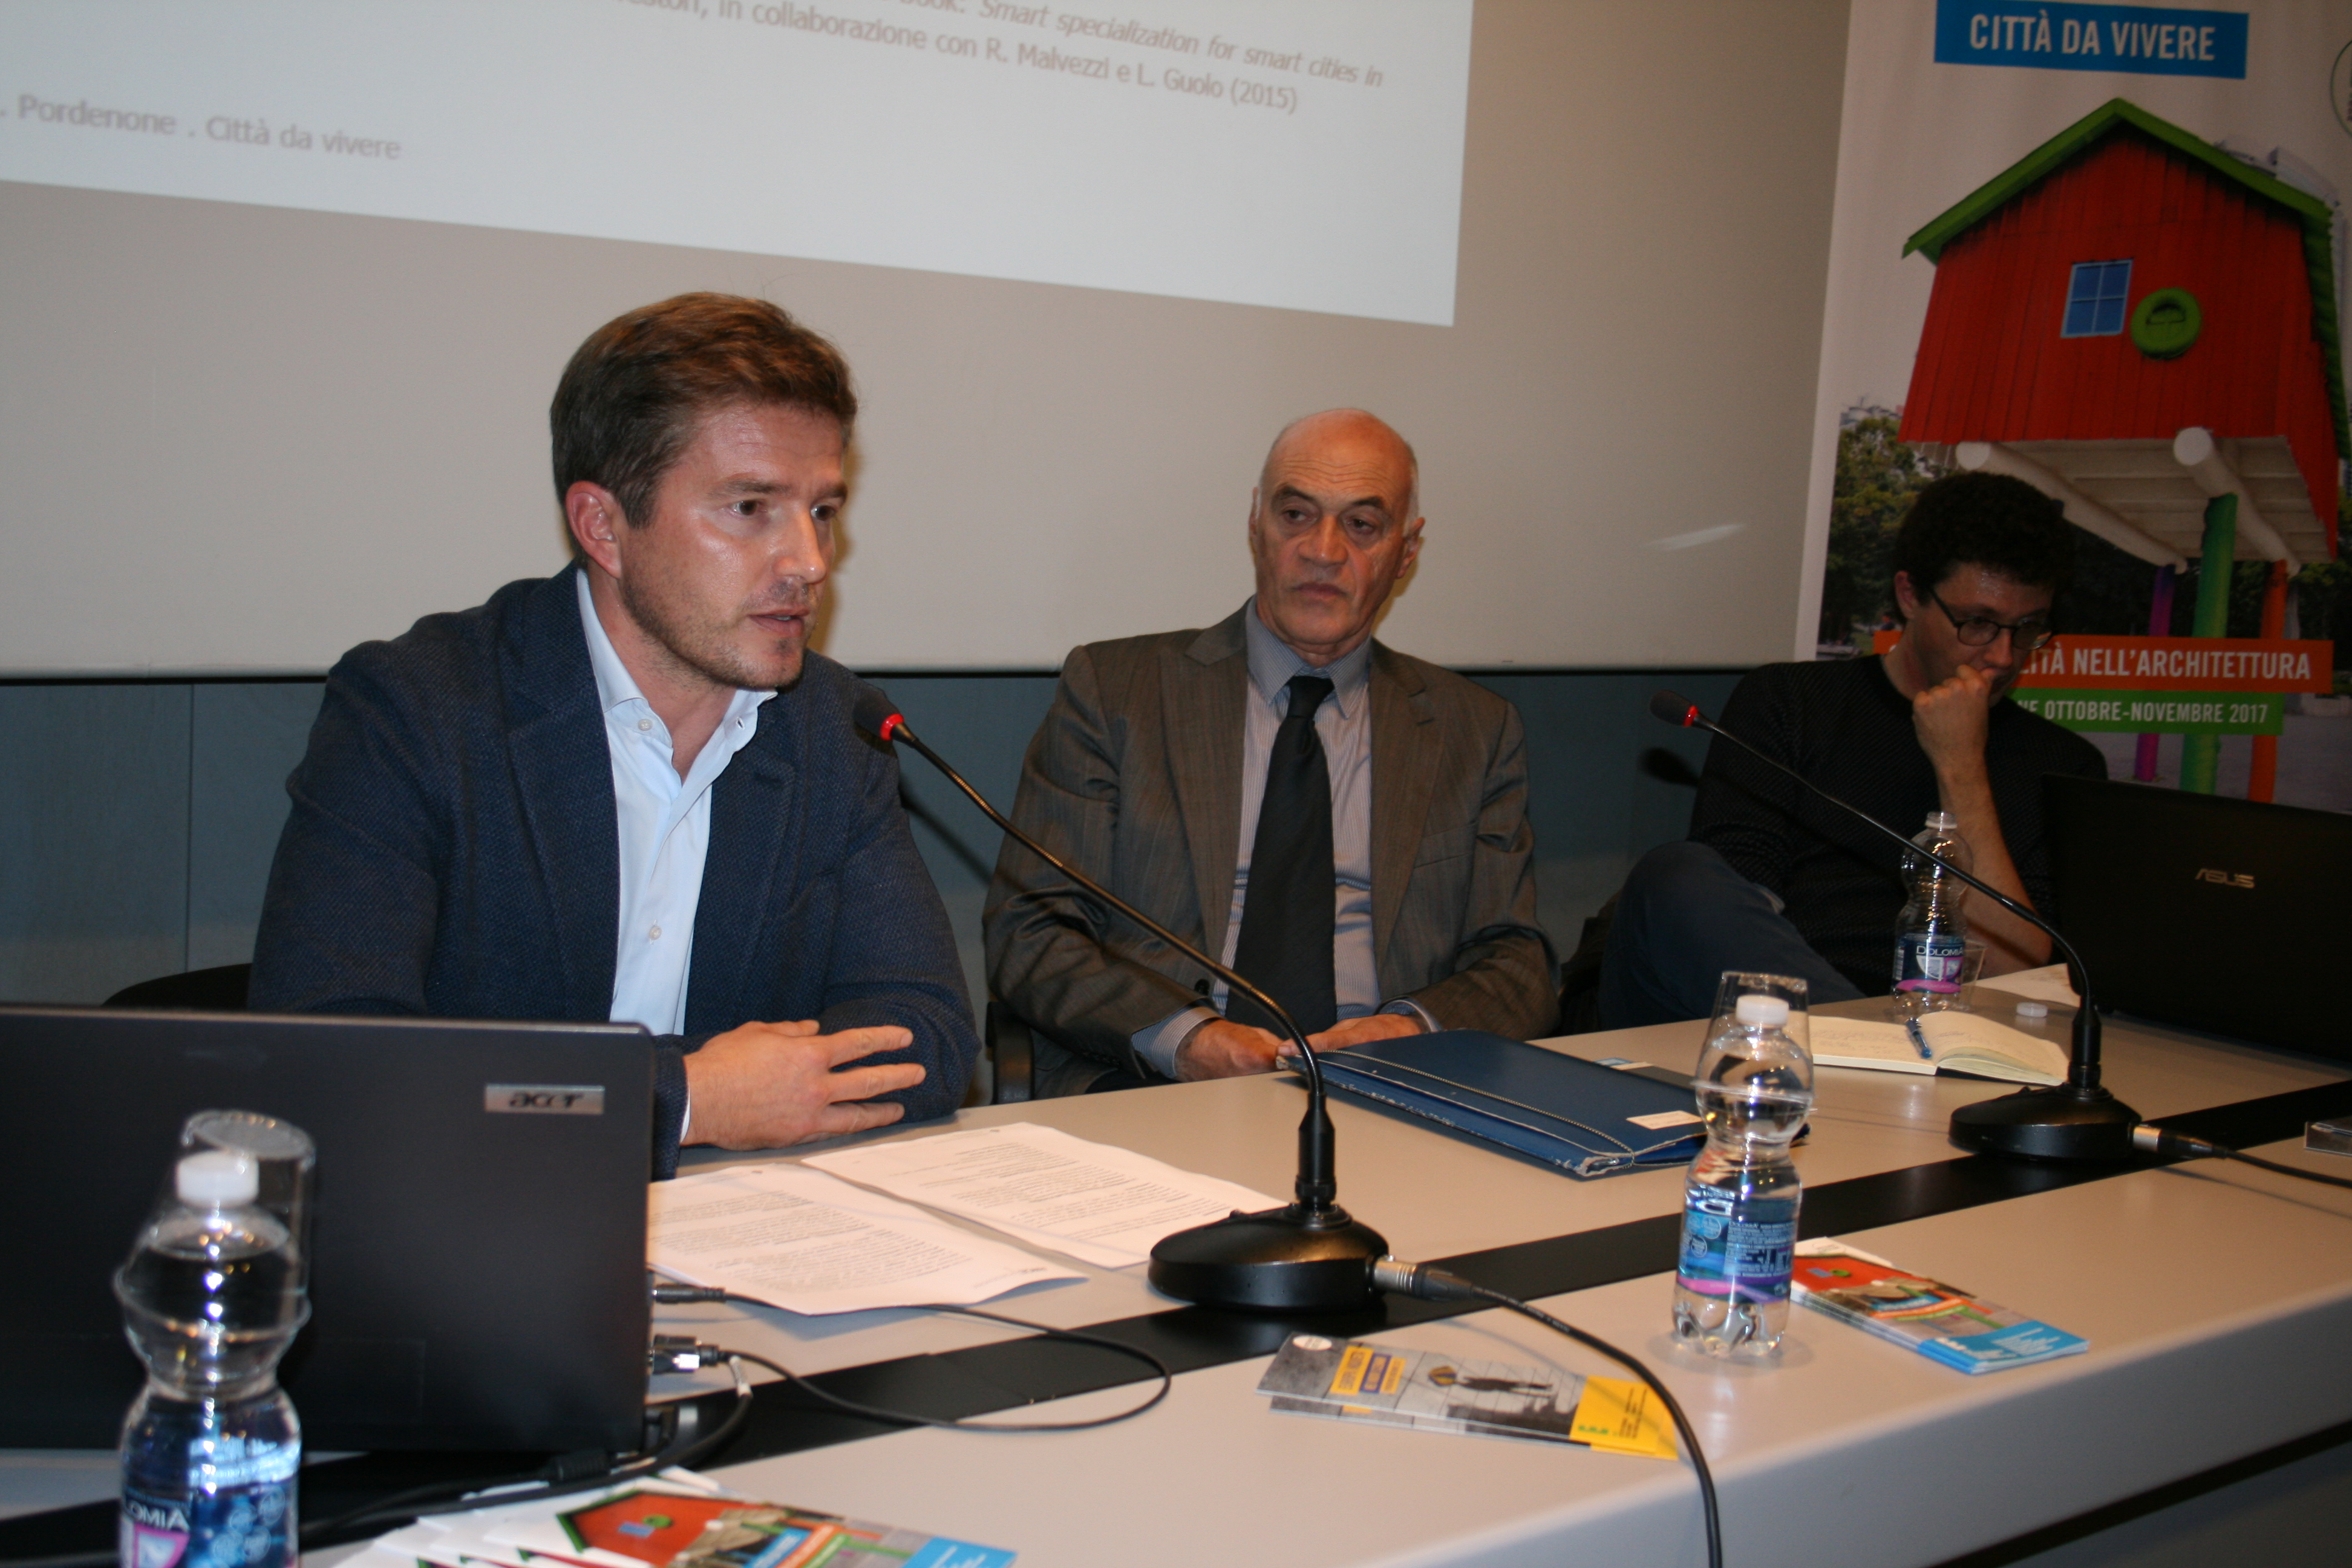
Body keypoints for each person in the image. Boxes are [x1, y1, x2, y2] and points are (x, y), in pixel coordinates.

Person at [250, 293, 978, 1175]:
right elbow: (331, 1060)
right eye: (751, 507)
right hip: (475, 1212)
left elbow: (926, 1031)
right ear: (603, 526)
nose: (810, 562)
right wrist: (683, 1098)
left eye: (822, 510)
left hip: (742, 1224)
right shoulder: (421, 710)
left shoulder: (833, 726)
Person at [984, 409, 1558, 1094]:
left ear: (1406, 551)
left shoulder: (1475, 729)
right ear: (1256, 523)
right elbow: (1032, 930)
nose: (1322, 550)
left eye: (1362, 525)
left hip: (1390, 1090)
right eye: (1295, 515)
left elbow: (1517, 963)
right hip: (1160, 1089)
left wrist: (1409, 1031)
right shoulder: (1116, 693)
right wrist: (1187, 1039)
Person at [1598, 471, 2106, 1028]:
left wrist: (1961, 766)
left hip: (1956, 1030)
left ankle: (1873, 1051)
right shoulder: (1790, 702)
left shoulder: (2062, 764)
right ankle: (1860, 1043)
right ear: (1910, 595)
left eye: (2028, 628)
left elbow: (2020, 973)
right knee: (1676, 875)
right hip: (1785, 1019)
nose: (2005, 656)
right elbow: (1730, 922)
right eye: (1979, 623)